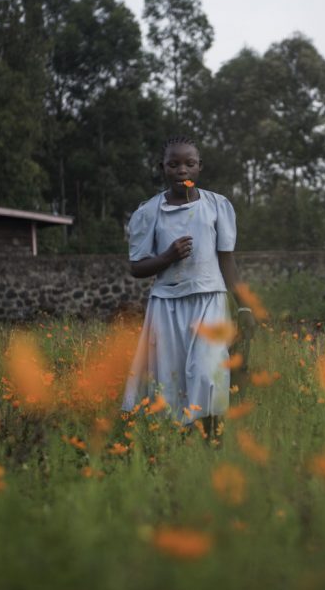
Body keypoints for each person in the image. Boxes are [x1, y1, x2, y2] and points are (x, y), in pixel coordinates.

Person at [121, 136, 255, 436]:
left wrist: (244, 305)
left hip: (210, 299)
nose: (182, 170)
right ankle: (176, 442)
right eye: (174, 164)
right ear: (162, 168)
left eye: (189, 164)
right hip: (167, 304)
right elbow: (137, 267)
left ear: (199, 167)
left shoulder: (217, 206)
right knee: (171, 379)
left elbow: (227, 262)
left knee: (208, 373)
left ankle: (212, 438)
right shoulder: (148, 212)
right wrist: (168, 256)